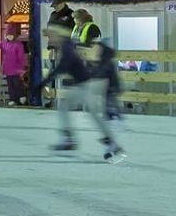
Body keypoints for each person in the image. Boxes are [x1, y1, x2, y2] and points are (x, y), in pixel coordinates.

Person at [41, 23, 124, 162]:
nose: (50, 40)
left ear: (59, 36)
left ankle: (73, 140)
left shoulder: (67, 47)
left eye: (51, 36)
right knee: (76, 108)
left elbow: (63, 67)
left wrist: (44, 82)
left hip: (90, 84)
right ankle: (107, 142)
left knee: (80, 110)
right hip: (86, 84)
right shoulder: (67, 46)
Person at [0, 26, 28, 107]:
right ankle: (13, 99)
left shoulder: (18, 44)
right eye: (8, 35)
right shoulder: (4, 43)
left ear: (14, 35)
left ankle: (21, 96)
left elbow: (21, 57)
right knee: (10, 85)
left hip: (15, 69)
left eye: (11, 35)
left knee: (17, 84)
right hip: (7, 69)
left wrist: (21, 67)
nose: (9, 37)